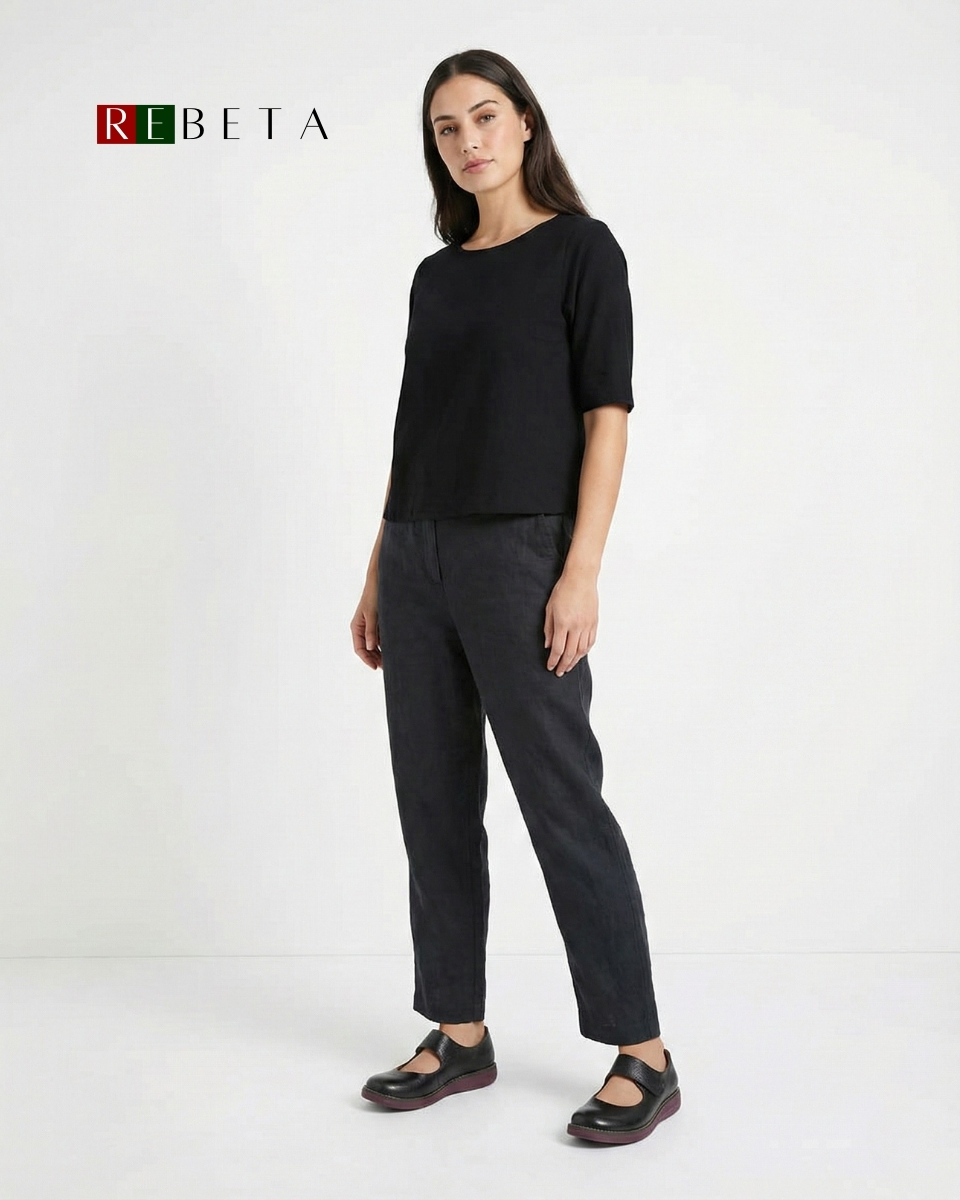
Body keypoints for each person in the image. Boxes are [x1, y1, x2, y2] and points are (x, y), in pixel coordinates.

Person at [349, 48, 681, 1146]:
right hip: (418, 552)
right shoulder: (436, 276)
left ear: (525, 122)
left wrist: (580, 569)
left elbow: (606, 416)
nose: (468, 141)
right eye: (446, 127)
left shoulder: (583, 251)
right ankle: (458, 1031)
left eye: (484, 116)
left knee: (560, 796)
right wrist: (379, 566)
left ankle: (643, 1052)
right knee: (433, 796)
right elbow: (415, 429)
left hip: (521, 553)